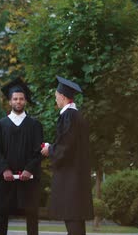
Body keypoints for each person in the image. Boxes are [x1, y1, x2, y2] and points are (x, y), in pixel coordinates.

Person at [0, 78, 43, 235]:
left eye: (21, 98)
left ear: (25, 100)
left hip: (28, 180)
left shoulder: (34, 125)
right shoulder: (0, 125)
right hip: (5, 180)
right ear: (10, 101)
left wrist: (29, 170)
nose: (18, 102)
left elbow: (38, 152)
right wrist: (4, 169)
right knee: (2, 216)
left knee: (32, 216)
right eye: (15, 99)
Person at [41, 76, 93, 235]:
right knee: (76, 221)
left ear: (63, 96)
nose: (56, 100)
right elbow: (69, 142)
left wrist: (50, 150)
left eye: (56, 96)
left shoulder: (69, 116)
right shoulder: (78, 116)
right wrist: (53, 146)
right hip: (78, 176)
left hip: (71, 179)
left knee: (72, 220)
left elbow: (65, 147)